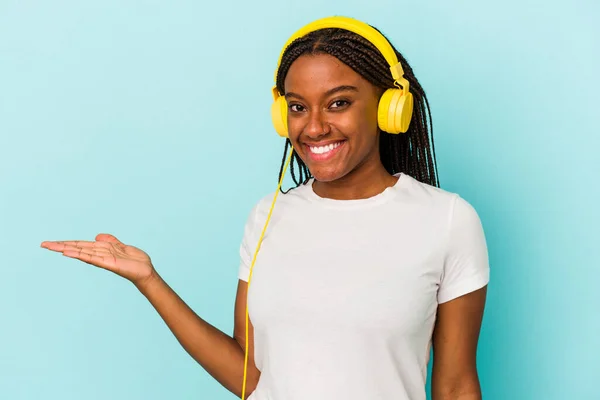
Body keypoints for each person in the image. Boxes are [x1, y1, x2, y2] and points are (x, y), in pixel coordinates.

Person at [41, 16, 489, 400]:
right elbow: (249, 375)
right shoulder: (268, 215)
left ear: (390, 107)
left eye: (339, 103)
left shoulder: (447, 221)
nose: (314, 127)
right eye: (297, 107)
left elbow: (455, 388)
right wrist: (150, 280)